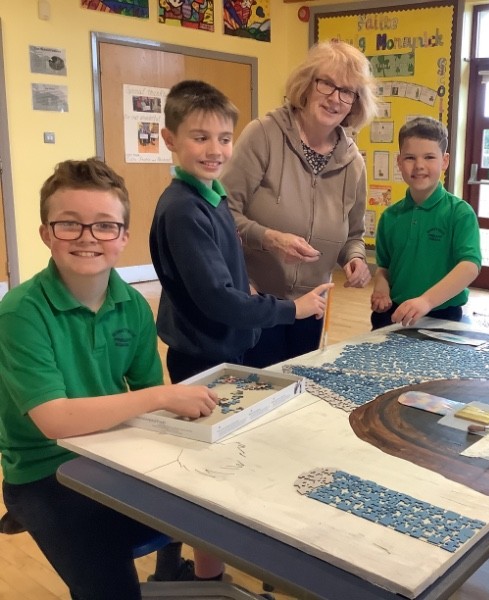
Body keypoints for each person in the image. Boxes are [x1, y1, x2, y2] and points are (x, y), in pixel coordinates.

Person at [0, 158, 220, 600]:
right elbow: (55, 420)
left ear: (122, 237)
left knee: (206, 498)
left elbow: (148, 394)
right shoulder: (20, 313)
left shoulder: (133, 306)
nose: (87, 237)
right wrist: (162, 397)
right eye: (69, 224)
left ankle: (179, 572)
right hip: (44, 470)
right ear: (46, 233)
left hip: (112, 449)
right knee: (110, 586)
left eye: (104, 225)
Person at [150, 80, 331, 582]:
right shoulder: (183, 208)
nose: (215, 149)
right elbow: (216, 299)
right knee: (209, 469)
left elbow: (221, 277)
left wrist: (243, 283)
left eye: (224, 138)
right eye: (200, 137)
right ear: (170, 139)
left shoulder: (210, 196)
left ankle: (180, 560)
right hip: (202, 355)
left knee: (223, 456)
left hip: (222, 349)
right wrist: (290, 310)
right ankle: (206, 578)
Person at [221, 40, 378, 367]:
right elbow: (223, 214)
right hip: (255, 298)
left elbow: (353, 235)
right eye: (327, 84)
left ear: (355, 102)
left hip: (312, 303)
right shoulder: (263, 135)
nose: (335, 98)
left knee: (297, 386)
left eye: (347, 92)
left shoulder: (353, 163)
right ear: (307, 84)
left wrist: (355, 259)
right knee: (255, 387)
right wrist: (269, 238)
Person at [370, 116, 481, 329]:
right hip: (396, 314)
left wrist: (426, 301)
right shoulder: (390, 216)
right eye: (410, 158)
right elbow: (384, 267)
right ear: (399, 162)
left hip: (443, 316)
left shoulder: (459, 213)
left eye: (429, 157)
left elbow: (469, 266)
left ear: (445, 161)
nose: (419, 166)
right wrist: (381, 288)